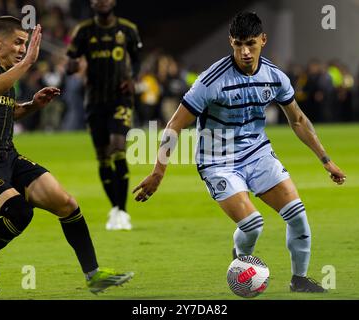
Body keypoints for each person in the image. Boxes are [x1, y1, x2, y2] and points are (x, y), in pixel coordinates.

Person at [133, 12, 346, 293]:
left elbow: (298, 120)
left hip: (258, 154)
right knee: (253, 225)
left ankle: (299, 279)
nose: (245, 52)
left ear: (263, 40)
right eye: (238, 45)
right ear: (230, 42)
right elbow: (174, 125)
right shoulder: (211, 81)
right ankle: (239, 258)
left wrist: (326, 161)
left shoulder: (274, 77)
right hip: (218, 161)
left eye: (251, 44)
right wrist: (158, 171)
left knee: (297, 215)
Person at [0, 16, 133, 295]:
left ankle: (93, 274)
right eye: (17, 43)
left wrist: (33, 104)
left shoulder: (6, 71)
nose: (21, 49)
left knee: (67, 204)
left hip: (9, 158)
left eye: (24, 44)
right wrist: (28, 63)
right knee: (20, 212)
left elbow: (8, 110)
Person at [66, 0, 142, 231]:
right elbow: (70, 62)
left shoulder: (128, 29)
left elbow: (137, 59)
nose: (102, 1)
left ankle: (123, 211)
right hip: (95, 101)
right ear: (92, 3)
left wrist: (132, 79)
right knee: (102, 157)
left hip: (120, 98)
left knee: (118, 147)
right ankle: (115, 209)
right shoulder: (83, 31)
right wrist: (72, 66)